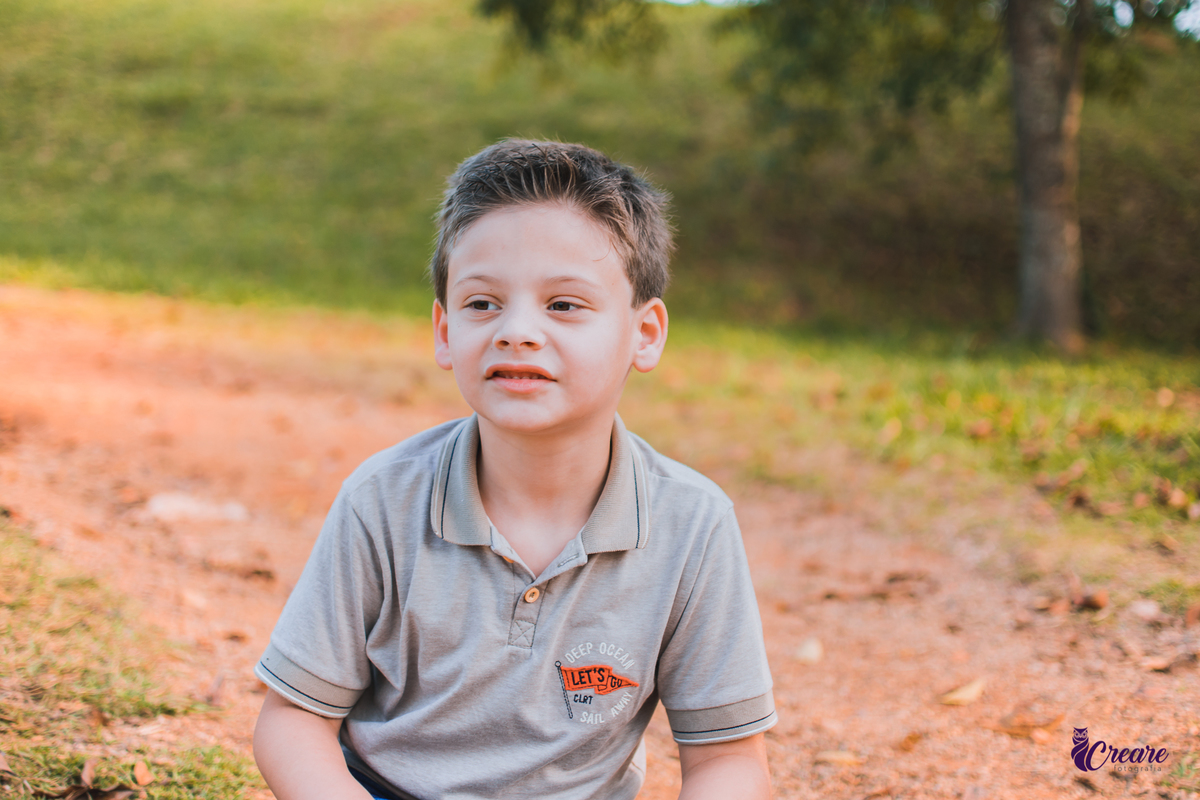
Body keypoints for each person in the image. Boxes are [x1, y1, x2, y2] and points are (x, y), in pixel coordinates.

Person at [252, 139, 776, 800]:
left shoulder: (691, 525)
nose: (516, 331)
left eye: (564, 305)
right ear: (444, 332)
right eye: (482, 304)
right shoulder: (382, 501)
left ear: (645, 335)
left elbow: (729, 761)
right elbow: (292, 720)